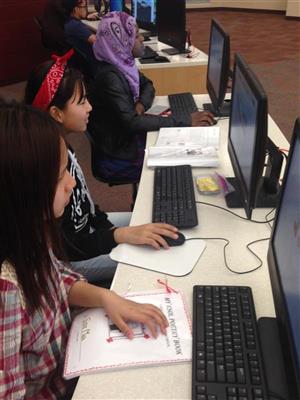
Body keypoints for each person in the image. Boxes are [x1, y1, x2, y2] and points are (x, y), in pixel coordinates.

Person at [0, 101, 169, 398]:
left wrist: (104, 296)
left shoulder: (30, 234)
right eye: (60, 177)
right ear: (23, 191)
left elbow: (59, 278)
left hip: (75, 359)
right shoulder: (6, 291)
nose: (71, 183)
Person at [24, 50, 179, 284]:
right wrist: (117, 236)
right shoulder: (45, 168)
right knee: (156, 256)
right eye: (82, 101)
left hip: (90, 235)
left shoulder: (65, 147)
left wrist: (112, 231)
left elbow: (87, 207)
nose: (90, 107)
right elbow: (67, 246)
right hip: (73, 259)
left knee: (159, 225)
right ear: (56, 113)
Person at [88, 11, 215, 182]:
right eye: (136, 36)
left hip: (125, 139)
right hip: (117, 156)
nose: (141, 40)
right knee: (183, 160)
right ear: (122, 40)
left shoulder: (122, 63)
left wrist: (140, 104)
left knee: (182, 145)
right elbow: (131, 122)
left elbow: (148, 85)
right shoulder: (110, 77)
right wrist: (186, 120)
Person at [62, 0, 98, 71]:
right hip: (95, 65)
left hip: (87, 64)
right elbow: (99, 42)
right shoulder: (76, 27)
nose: (86, 10)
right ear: (75, 9)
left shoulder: (70, 23)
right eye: (84, 7)